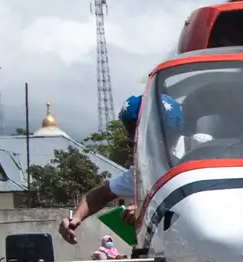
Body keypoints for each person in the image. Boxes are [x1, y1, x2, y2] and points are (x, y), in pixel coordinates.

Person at [59, 93, 183, 245]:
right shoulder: (144, 172)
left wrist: (145, 210)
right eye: (136, 145)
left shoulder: (200, 147)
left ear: (175, 133)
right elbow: (99, 195)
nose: (147, 150)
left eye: (157, 141)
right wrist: (75, 219)